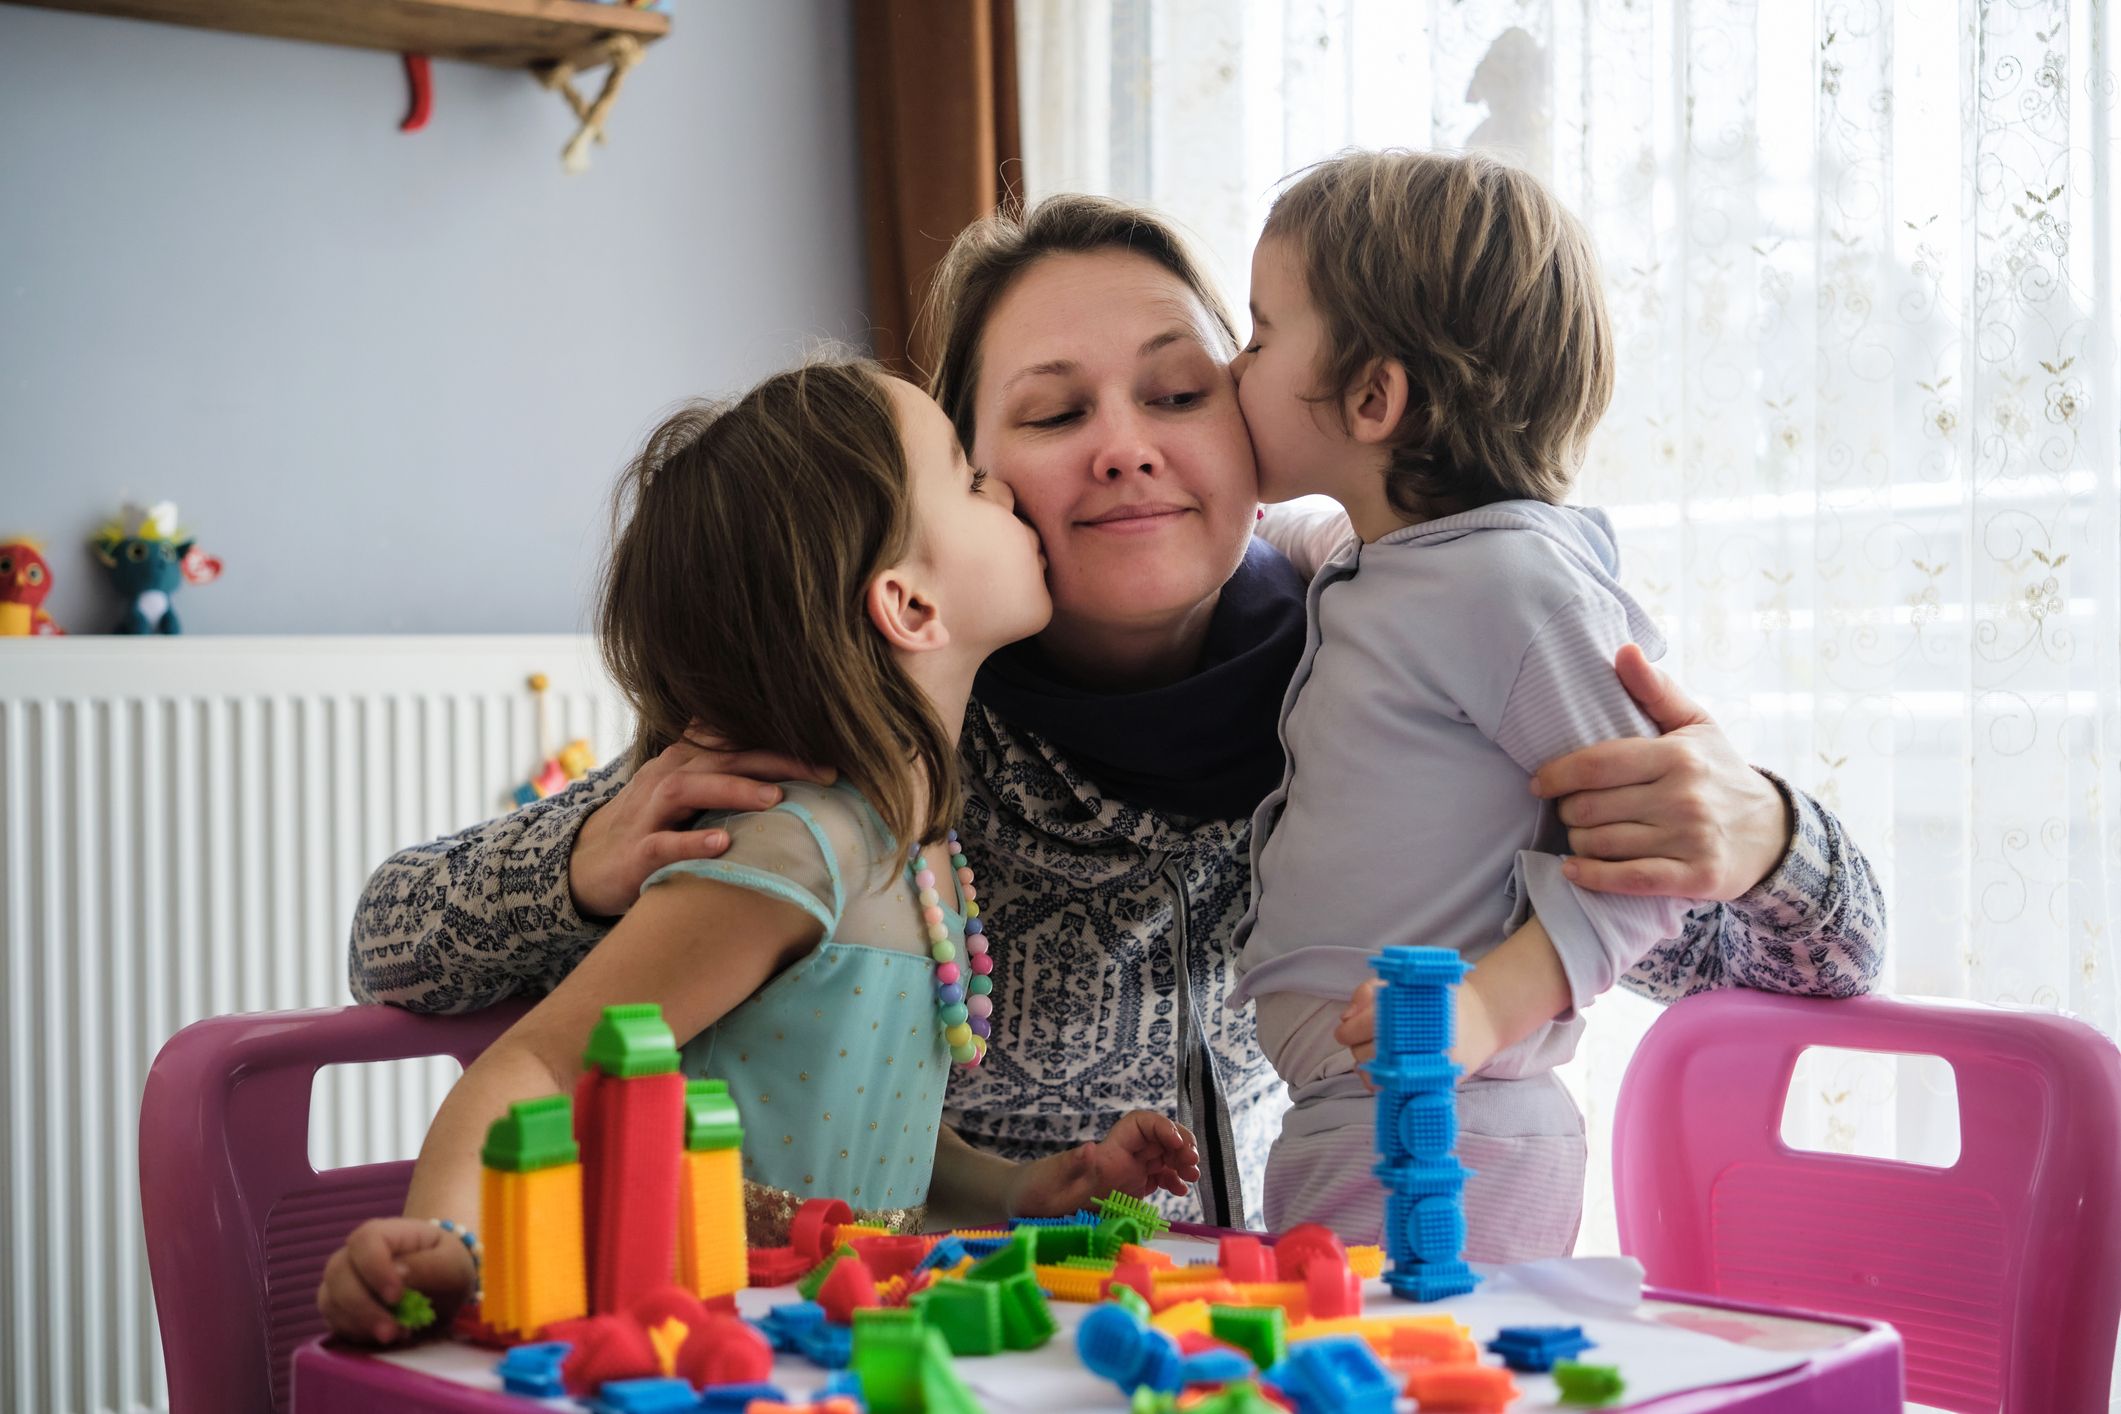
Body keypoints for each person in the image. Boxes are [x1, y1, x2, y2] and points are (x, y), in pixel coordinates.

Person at [350, 195, 1885, 1233]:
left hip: (1262, 1336)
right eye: (1047, 412)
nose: (1127, 447)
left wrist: (1763, 834)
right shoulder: (868, 728)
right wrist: (579, 860)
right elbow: (399, 938)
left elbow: (1816, 954)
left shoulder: (1396, 671)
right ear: (958, 498)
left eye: (1174, 389)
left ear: (1260, 416)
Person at [317, 359, 1199, 1345]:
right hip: (688, 1339)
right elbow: (533, 1062)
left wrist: (1030, 1183)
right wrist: (450, 1242)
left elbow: (873, 1136)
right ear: (909, 605)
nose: (1002, 486)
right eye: (966, 473)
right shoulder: (786, 848)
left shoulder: (918, 856)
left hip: (819, 1342)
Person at [1230, 148, 1763, 1254]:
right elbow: (1289, 537)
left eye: (1259, 334)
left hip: (1449, 1117)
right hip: (1361, 1107)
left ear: (1374, 397)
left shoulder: (1511, 584)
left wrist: (1477, 1010)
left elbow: (1651, 870)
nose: (1234, 368)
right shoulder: (1392, 557)